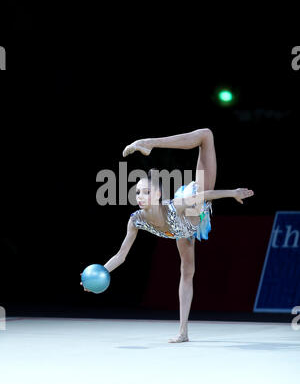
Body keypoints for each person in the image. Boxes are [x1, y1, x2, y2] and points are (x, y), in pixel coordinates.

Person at [81, 128, 254, 343]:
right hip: (182, 231)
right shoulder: (136, 220)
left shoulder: (176, 206)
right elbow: (121, 255)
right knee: (187, 272)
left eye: (146, 192)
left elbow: (205, 195)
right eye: (137, 192)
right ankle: (183, 332)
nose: (140, 197)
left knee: (206, 135)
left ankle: (149, 141)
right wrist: (100, 275)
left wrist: (233, 193)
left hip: (192, 210)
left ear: (158, 194)